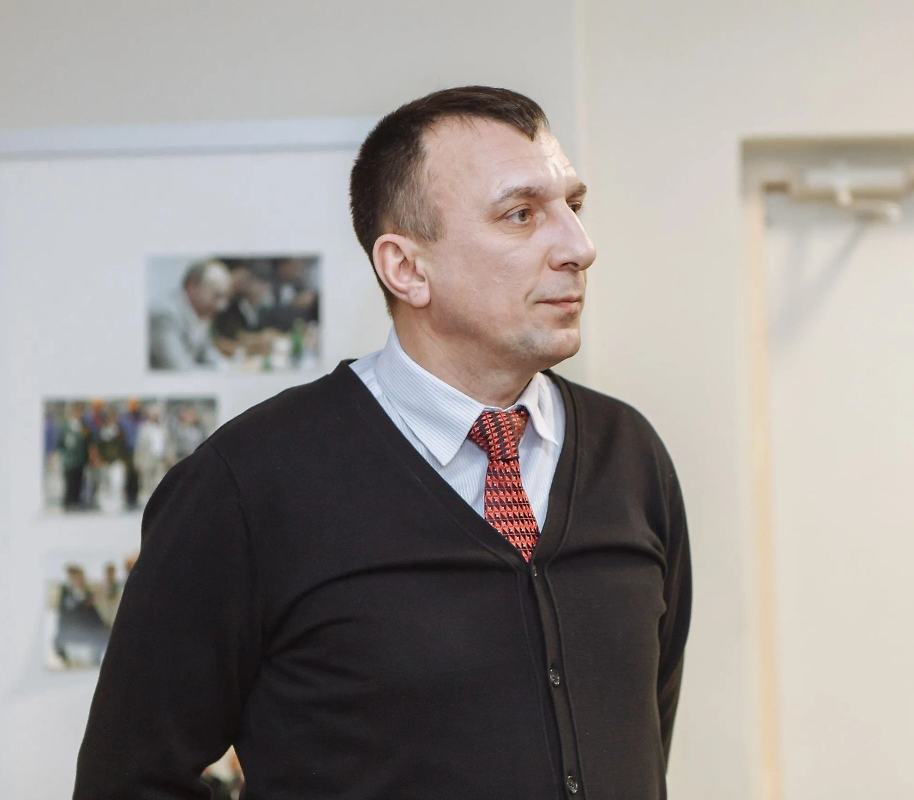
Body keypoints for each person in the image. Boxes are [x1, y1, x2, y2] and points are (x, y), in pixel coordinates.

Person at [75, 86, 692, 799]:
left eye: (573, 206)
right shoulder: (247, 485)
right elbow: (130, 780)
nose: (580, 248)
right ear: (406, 268)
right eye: (521, 215)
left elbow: (643, 742)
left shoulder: (630, 456)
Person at [149, 259, 233, 370]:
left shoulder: (200, 314)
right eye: (217, 295)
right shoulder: (164, 316)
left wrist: (231, 369)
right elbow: (179, 370)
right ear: (192, 285)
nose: (222, 306)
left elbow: (210, 357)